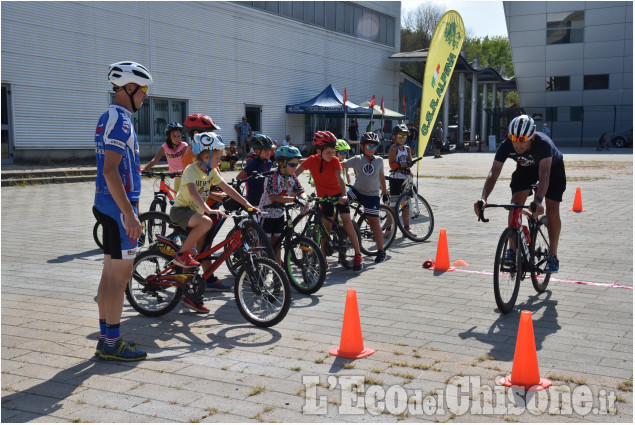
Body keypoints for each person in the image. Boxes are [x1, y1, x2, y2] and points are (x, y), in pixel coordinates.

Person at [93, 60, 153, 361]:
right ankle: (113, 344)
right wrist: (130, 213)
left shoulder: (109, 116)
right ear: (129, 88)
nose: (145, 96)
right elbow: (110, 170)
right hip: (118, 208)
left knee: (108, 274)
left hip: (106, 205)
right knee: (119, 279)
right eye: (143, 90)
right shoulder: (122, 121)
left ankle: (106, 338)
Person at [169, 132, 259, 312]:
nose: (220, 160)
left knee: (195, 258)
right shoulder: (190, 170)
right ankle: (181, 254)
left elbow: (228, 189)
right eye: (217, 157)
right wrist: (208, 209)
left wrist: (248, 205)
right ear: (205, 156)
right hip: (181, 212)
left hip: (195, 215)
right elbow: (193, 193)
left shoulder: (210, 173)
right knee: (206, 223)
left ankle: (190, 297)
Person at [474, 114, 565, 273]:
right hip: (526, 169)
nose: (517, 145)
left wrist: (538, 200)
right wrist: (483, 198)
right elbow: (493, 173)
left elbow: (544, 175)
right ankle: (512, 250)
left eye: (522, 140)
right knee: (515, 203)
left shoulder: (543, 144)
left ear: (532, 137)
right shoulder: (506, 145)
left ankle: (553, 256)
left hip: (552, 169)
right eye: (514, 139)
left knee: (551, 209)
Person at [295, 130, 363, 272]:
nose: (332, 155)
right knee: (326, 229)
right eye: (329, 152)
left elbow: (340, 178)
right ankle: (323, 259)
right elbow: (295, 174)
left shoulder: (335, 161)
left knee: (347, 222)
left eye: (333, 152)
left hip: (338, 195)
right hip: (324, 198)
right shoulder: (311, 160)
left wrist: (344, 195)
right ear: (318, 150)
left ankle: (358, 255)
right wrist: (296, 191)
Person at [180, 114, 230, 290]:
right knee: (202, 244)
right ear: (196, 134)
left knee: (206, 243)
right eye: (209, 133)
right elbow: (196, 188)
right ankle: (193, 282)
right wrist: (216, 196)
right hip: (200, 206)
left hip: (211, 203)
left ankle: (206, 276)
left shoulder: (209, 152)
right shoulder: (191, 157)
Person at [344, 132, 389, 263]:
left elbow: (381, 178)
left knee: (374, 223)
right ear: (362, 146)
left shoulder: (379, 161)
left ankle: (381, 252)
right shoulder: (357, 159)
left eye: (374, 147)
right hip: (357, 191)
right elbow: (341, 165)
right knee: (340, 202)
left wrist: (385, 194)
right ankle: (341, 231)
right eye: (368, 146)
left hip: (372, 195)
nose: (371, 149)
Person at [258, 146, 309, 262]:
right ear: (281, 163)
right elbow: (274, 198)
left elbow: (301, 191)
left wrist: (304, 201)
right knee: (263, 244)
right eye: (292, 165)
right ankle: (256, 267)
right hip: (266, 214)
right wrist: (294, 200)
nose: (295, 168)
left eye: (297, 164)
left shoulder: (292, 176)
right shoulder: (272, 176)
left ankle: (277, 271)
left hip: (279, 214)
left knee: (277, 243)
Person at [142, 122, 187, 191]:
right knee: (177, 199)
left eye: (179, 136)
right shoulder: (165, 146)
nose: (177, 139)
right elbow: (155, 160)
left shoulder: (183, 145)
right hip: (175, 176)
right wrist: (145, 169)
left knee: (183, 199)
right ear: (169, 136)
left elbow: (184, 160)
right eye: (174, 136)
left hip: (185, 176)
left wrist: (183, 170)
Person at [387, 124, 413, 236]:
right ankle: (389, 228)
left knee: (406, 205)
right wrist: (400, 165)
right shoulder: (394, 148)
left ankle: (407, 228)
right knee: (393, 205)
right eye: (400, 135)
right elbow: (391, 164)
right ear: (394, 137)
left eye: (404, 136)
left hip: (405, 179)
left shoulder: (407, 149)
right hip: (396, 179)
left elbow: (409, 163)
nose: (402, 138)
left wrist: (407, 165)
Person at [236, 134, 274, 206]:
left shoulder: (269, 162)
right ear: (256, 151)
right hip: (253, 198)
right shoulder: (254, 162)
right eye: (265, 149)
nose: (269, 152)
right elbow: (239, 177)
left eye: (270, 149)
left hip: (265, 196)